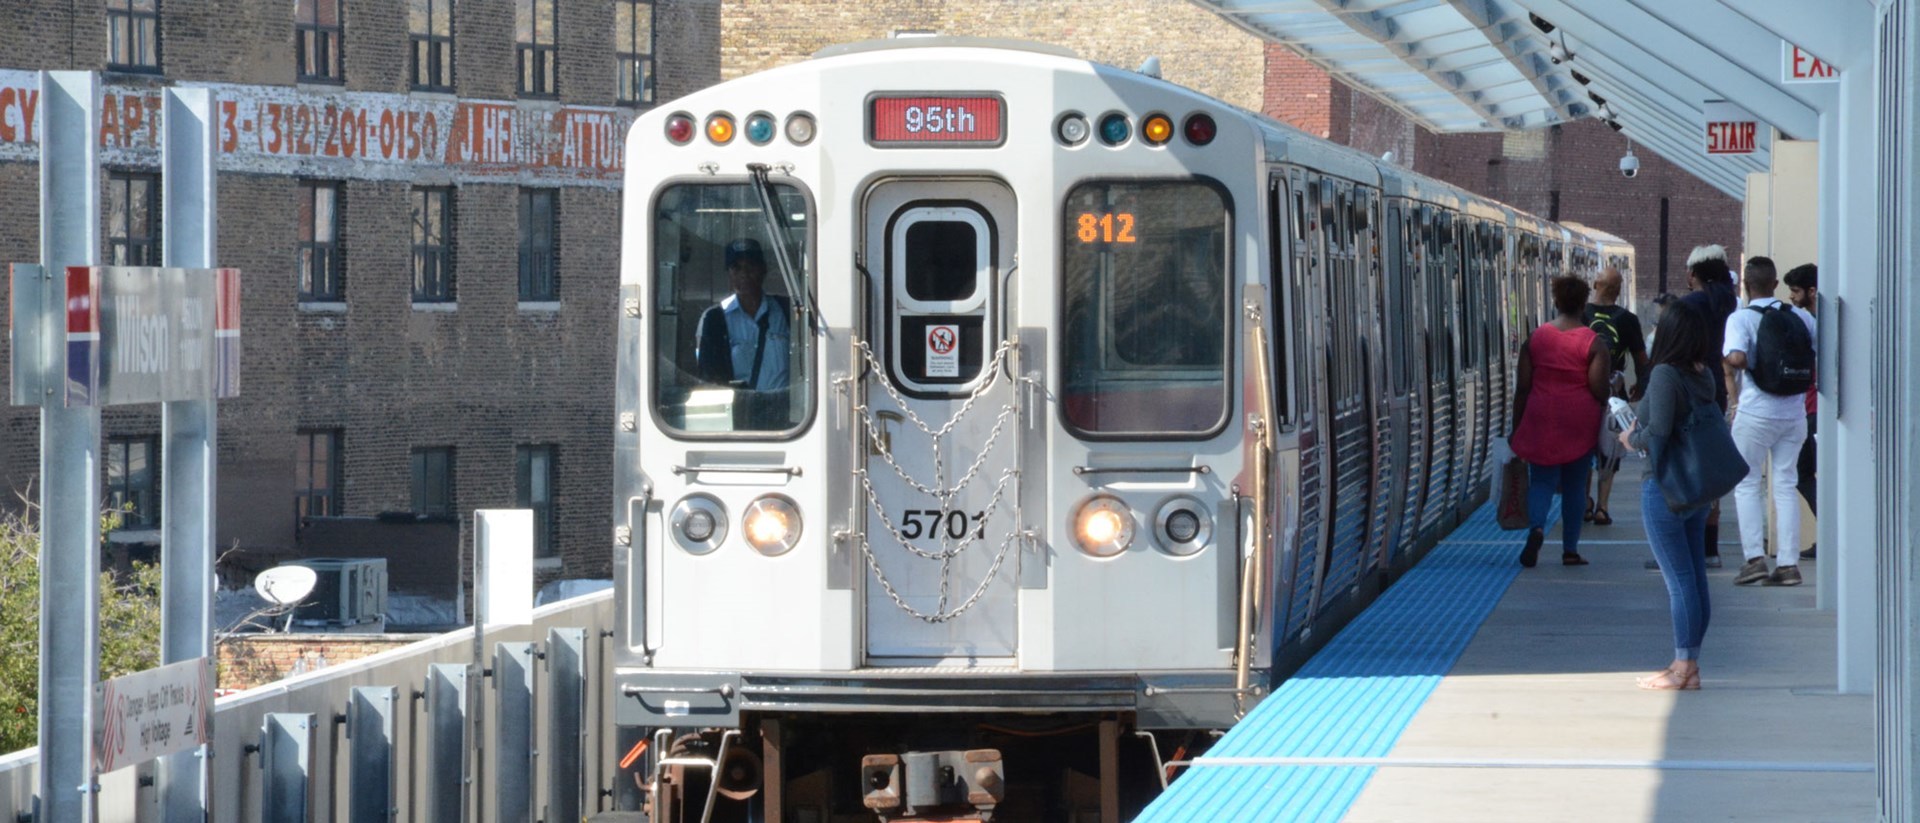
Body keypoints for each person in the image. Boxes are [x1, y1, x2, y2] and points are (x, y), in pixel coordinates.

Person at [1621, 297, 1719, 690]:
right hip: (1695, 487)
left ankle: (1683, 666)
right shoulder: (1703, 373)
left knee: (1678, 581)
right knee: (1695, 579)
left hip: (1664, 486)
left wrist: (1630, 438)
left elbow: (1657, 434)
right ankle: (1689, 663)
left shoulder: (1664, 375)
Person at [1724, 256, 1816, 586]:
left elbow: (1735, 357)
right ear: (1775, 284)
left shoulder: (1741, 318)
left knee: (1747, 483)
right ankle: (1788, 565)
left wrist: (1741, 362)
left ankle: (1754, 560)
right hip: (1794, 414)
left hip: (1755, 413)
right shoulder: (1802, 318)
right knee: (1786, 484)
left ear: (1745, 286)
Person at [1509, 275, 1610, 568]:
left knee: (1541, 481)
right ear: (1583, 304)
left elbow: (1523, 387)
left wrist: (1517, 429)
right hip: (1579, 420)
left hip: (1541, 416)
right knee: (1576, 485)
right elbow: (1598, 389)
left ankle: (1537, 528)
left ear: (1555, 301)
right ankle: (1570, 550)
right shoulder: (1593, 343)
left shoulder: (1537, 338)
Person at [1678, 245, 1740, 567]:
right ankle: (1710, 549)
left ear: (1693, 274)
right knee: (1710, 468)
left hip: (1689, 390)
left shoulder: (1688, 306)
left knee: (1684, 467)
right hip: (1718, 392)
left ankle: (1684, 547)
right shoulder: (1732, 305)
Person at [694, 238, 792, 428]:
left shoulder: (786, 311)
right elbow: (707, 376)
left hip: (785, 415)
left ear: (763, 270)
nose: (744, 275)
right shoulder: (714, 319)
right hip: (737, 416)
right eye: (736, 268)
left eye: (750, 267)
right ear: (729, 274)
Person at [1583, 266, 1650, 526]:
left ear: (1595, 285)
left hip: (1584, 391)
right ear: (1619, 290)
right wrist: (1641, 386)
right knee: (1610, 452)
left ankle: (1585, 503)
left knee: (1585, 448)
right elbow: (1642, 359)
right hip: (1615, 394)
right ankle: (1602, 506)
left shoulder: (1581, 315)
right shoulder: (1628, 319)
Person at [1783, 263, 1818, 560]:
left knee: (1803, 472)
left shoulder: (1812, 322)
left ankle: (1830, 531)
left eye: (1795, 291)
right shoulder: (1811, 320)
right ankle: (1829, 531)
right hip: (1809, 408)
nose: (1792, 297)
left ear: (1811, 291)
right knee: (1803, 472)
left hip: (1813, 408)